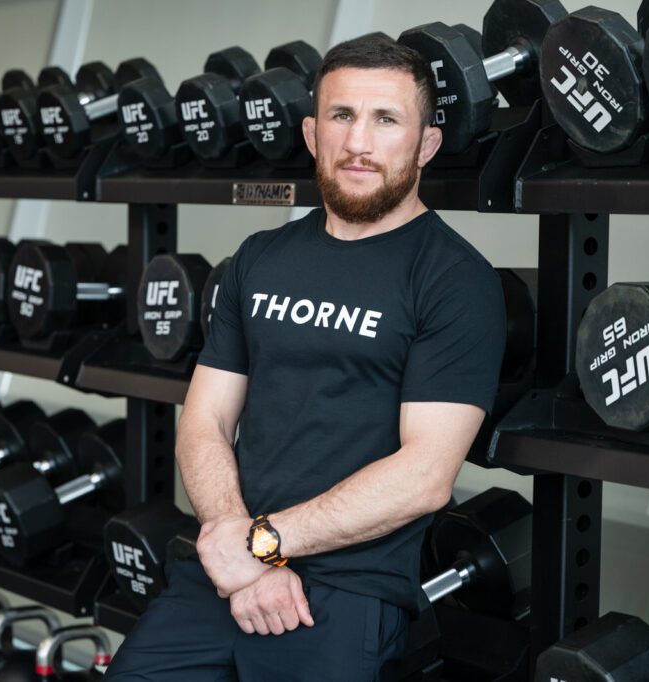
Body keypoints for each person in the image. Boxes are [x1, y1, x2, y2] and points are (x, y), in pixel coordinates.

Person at [105, 33, 507, 682]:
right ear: (313, 133)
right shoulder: (259, 259)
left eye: (386, 120)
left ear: (426, 143)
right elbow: (203, 422)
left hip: (348, 592)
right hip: (219, 571)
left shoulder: (455, 280)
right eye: (343, 117)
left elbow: (425, 473)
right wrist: (235, 545)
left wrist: (264, 545)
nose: (359, 142)